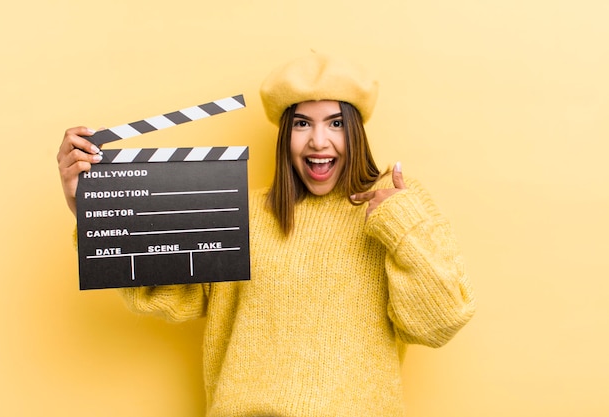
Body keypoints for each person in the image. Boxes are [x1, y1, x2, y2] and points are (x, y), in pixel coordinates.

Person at [57, 53, 476, 417]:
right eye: (301, 124)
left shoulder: (396, 205)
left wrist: (401, 225)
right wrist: (90, 206)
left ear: (356, 131)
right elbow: (162, 292)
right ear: (284, 135)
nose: (318, 140)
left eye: (335, 122)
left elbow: (439, 322)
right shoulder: (241, 213)